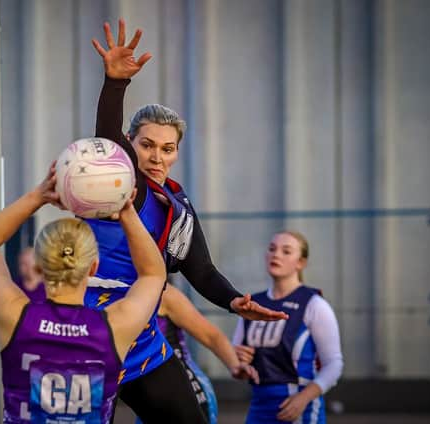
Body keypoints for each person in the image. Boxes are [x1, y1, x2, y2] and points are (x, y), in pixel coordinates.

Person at [83, 19, 288, 422]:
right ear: (130, 145)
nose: (157, 157)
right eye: (146, 145)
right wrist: (115, 84)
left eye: (168, 148)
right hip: (92, 335)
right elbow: (108, 136)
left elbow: (202, 269)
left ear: (177, 152)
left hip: (140, 340)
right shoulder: (122, 182)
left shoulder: (175, 204)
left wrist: (233, 301)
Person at [0, 162, 167, 424]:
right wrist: (127, 211)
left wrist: (38, 196)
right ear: (93, 268)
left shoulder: (15, 316)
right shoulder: (114, 326)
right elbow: (153, 274)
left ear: (39, 266)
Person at [232, 231, 344, 423]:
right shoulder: (252, 304)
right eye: (272, 249)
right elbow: (235, 360)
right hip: (259, 405)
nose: (276, 255)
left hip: (298, 405)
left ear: (300, 262)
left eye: (286, 251)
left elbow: (334, 364)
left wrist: (304, 398)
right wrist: (239, 363)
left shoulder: (313, 304)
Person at [136, 284, 260, 424]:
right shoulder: (112, 296)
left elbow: (211, 336)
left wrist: (234, 365)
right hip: (148, 394)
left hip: (187, 390)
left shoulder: (165, 294)